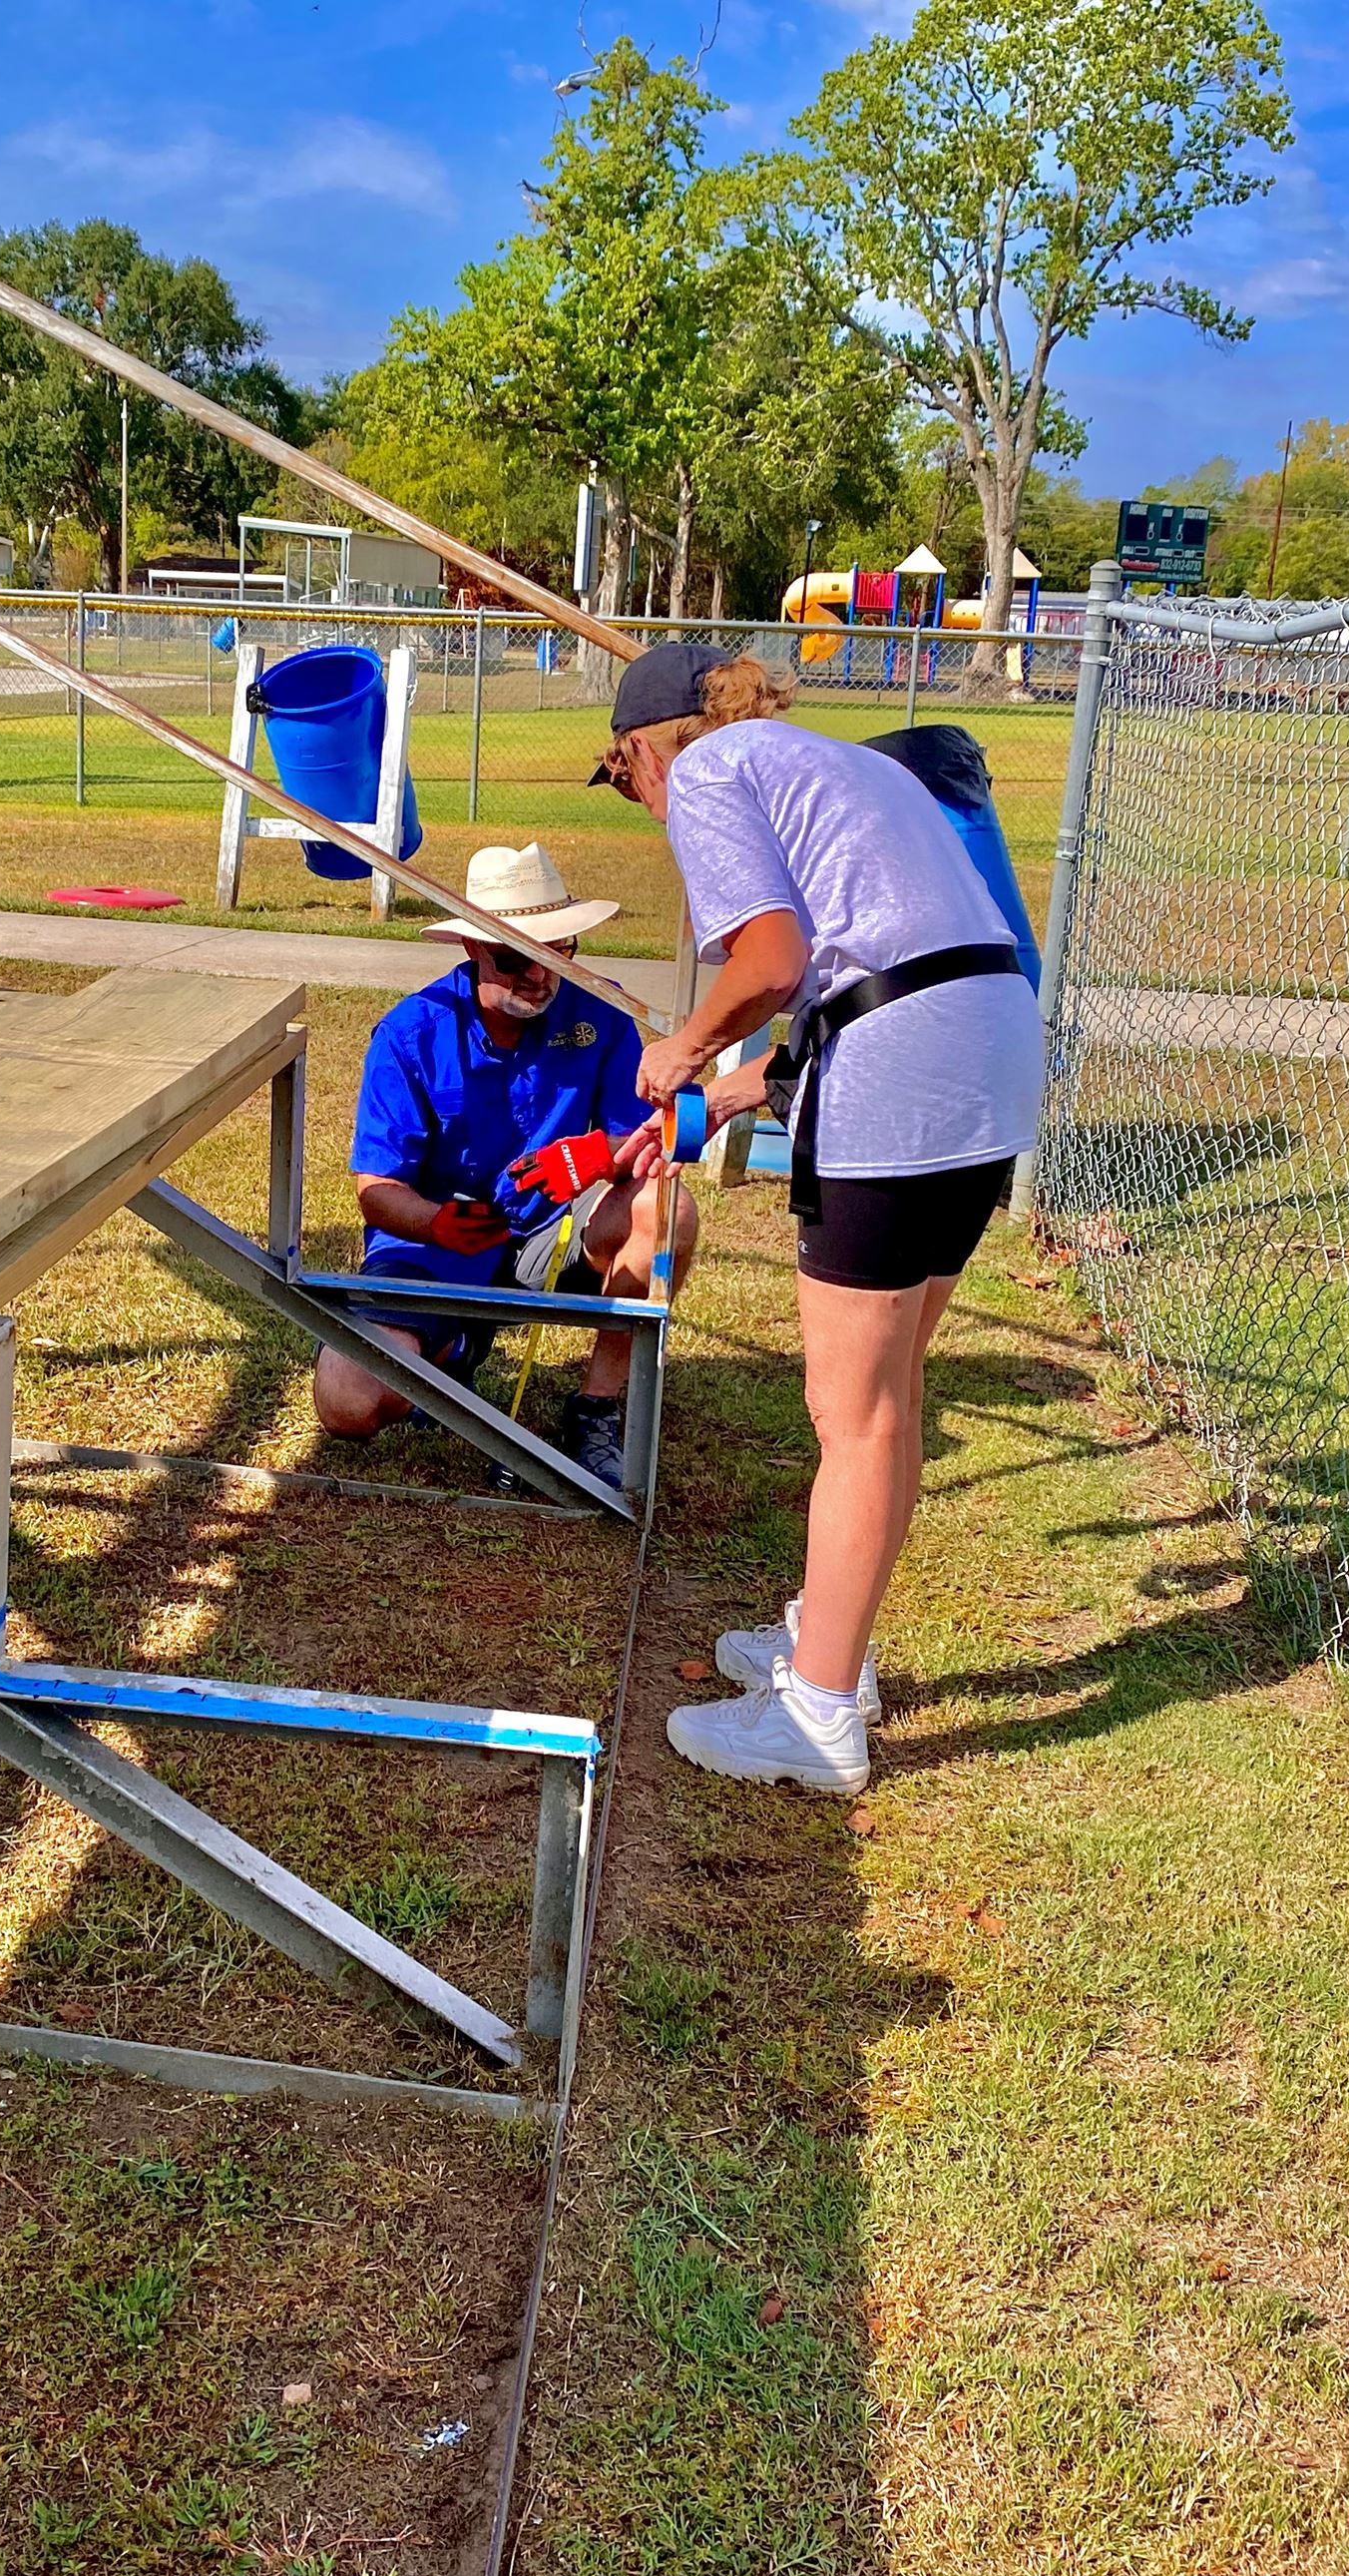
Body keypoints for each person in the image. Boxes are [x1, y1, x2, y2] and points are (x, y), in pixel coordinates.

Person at [600, 644, 1044, 1795]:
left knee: (853, 1412)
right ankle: (825, 1638)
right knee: (891, 1389)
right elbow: (881, 960)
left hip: (904, 1072)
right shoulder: (836, 764)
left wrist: (680, 1046)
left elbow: (777, 959)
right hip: (986, 1050)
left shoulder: (708, 774)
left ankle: (820, 1712)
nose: (640, 798)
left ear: (653, 743)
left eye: (622, 770)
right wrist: (713, 1098)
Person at [313, 841, 697, 1490]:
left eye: (559, 949)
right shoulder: (409, 1033)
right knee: (349, 1404)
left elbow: (652, 1138)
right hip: (437, 1240)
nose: (541, 974)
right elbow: (378, 1191)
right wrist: (438, 1224)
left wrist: (597, 1155)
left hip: (557, 1235)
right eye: (517, 955)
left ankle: (596, 1407)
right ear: (471, 948)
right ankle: (451, 1348)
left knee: (669, 1209)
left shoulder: (602, 1010)